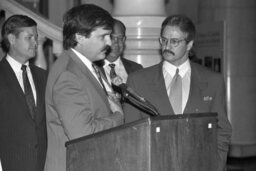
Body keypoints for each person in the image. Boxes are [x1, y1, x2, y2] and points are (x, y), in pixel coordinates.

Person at [123, 14, 232, 171]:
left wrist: (216, 165)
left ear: (189, 45)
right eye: (163, 40)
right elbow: (130, 133)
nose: (167, 46)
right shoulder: (138, 80)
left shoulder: (213, 81)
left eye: (174, 41)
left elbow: (221, 130)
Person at [44, 4, 124, 171]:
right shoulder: (68, 75)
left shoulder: (88, 65)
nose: (109, 42)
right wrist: (117, 116)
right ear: (80, 37)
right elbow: (82, 134)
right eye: (103, 36)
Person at [0, 15, 47, 171]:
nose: (35, 42)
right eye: (29, 37)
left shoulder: (43, 76)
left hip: (42, 164)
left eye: (36, 37)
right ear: (12, 39)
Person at [99, 18, 143, 85]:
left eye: (120, 38)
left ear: (124, 39)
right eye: (112, 38)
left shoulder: (136, 69)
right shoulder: (92, 67)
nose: (116, 43)